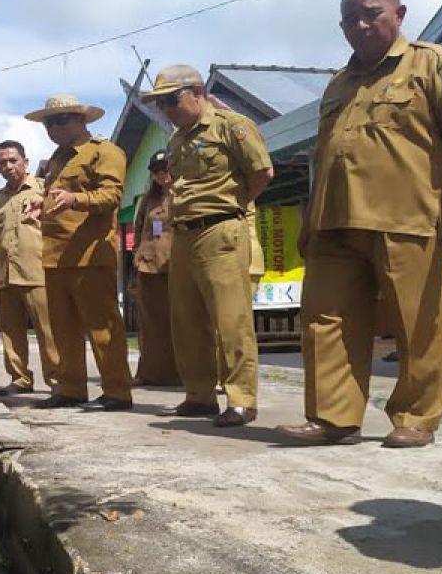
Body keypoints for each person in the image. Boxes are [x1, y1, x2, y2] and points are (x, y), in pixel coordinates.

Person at [276, 0, 442, 448]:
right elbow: (326, 155)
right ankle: (333, 418)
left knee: (417, 322)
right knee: (326, 320)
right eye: (350, 19)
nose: (360, 24)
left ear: (398, 14)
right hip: (335, 222)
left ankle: (415, 418)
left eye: (371, 13)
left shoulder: (432, 63)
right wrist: (311, 219)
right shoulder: (339, 83)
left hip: (409, 217)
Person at [142, 65, 274, 427]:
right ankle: (200, 395)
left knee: (231, 320)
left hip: (220, 230)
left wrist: (231, 206)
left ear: (197, 93)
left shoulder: (233, 126)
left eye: (172, 100)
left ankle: (242, 400)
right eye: (161, 103)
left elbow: (262, 173)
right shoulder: (175, 139)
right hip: (182, 234)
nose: (167, 109)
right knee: (187, 320)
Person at [25, 94, 133, 411]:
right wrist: (40, 205)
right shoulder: (57, 159)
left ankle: (117, 391)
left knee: (102, 327)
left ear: (81, 120)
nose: (53, 127)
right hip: (55, 255)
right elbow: (57, 198)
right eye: (48, 122)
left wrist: (77, 200)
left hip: (89, 254)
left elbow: (111, 195)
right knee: (63, 328)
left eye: (61, 120)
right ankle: (70, 388)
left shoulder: (105, 152)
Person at [0, 140, 60, 396]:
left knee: (49, 330)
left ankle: (57, 380)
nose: (8, 166)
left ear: (25, 162)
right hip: (6, 275)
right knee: (10, 331)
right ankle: (19, 378)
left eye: (13, 160)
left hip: (38, 272)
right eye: (2, 162)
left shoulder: (44, 189)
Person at [130, 150, 180, 387]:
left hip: (178, 266)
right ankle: (148, 372)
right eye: (157, 171)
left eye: (165, 169)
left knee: (181, 322)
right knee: (149, 324)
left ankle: (183, 373)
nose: (162, 175)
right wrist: (137, 255)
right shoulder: (148, 200)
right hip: (148, 267)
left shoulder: (184, 195)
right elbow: (140, 229)